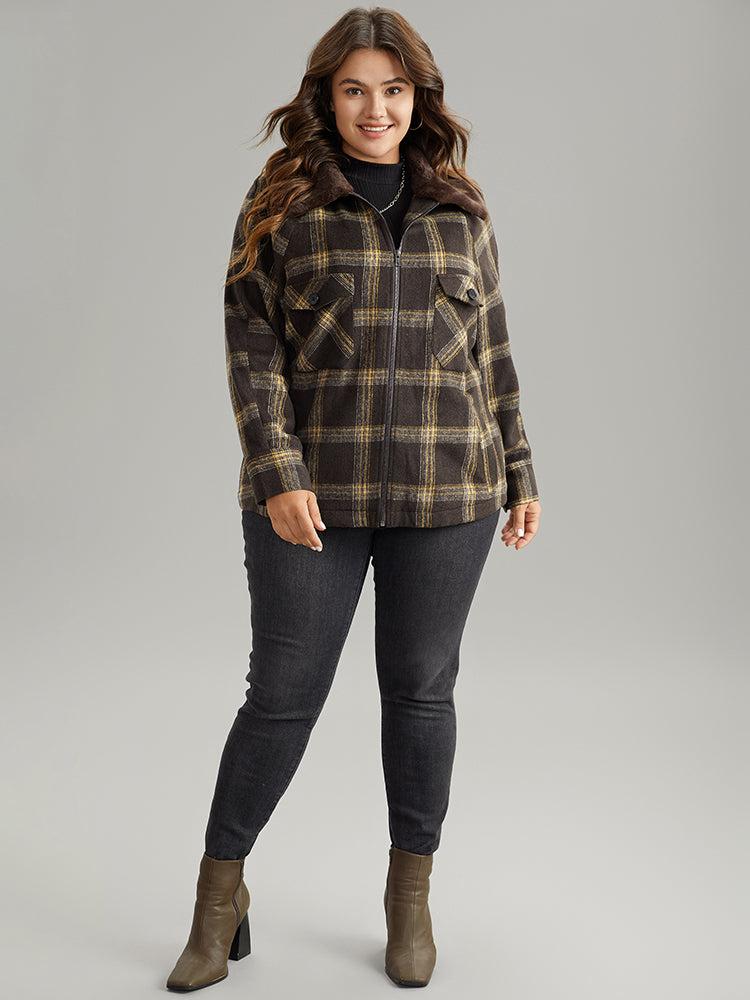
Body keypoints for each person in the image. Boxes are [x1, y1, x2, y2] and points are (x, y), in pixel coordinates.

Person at [166, 7, 542, 992]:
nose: (376, 109)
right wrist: (278, 473)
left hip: (449, 489)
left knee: (420, 692)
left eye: (394, 90)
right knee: (283, 696)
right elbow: (252, 354)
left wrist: (521, 471)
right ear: (326, 99)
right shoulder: (283, 203)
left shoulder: (461, 209)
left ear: (419, 99)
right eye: (354, 90)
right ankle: (217, 899)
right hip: (314, 498)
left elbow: (493, 353)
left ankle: (409, 900)